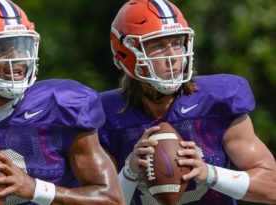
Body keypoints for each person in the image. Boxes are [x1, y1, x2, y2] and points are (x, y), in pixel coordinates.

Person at [0, 0, 124, 204]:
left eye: (21, 46)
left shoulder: (63, 105)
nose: (17, 58)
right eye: (1, 48)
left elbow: (110, 199)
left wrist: (36, 189)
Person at [98, 0, 276, 204]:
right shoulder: (106, 115)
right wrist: (128, 173)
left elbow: (272, 187)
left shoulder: (217, 101)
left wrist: (210, 174)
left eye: (176, 43)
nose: (172, 56)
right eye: (157, 46)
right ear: (125, 54)